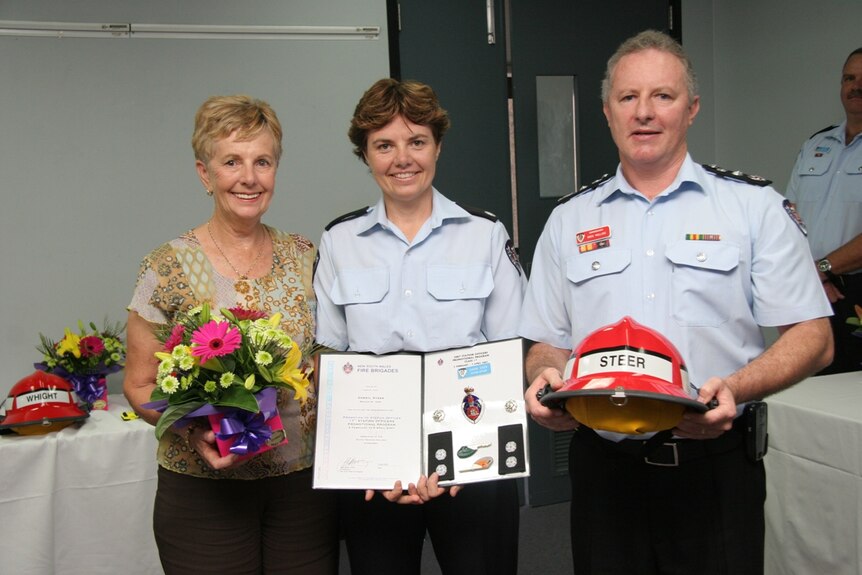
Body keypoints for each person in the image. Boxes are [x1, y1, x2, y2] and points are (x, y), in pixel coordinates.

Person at [518, 30, 834, 575]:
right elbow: (547, 340)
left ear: (691, 109)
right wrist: (545, 377)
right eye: (628, 98)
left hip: (712, 466)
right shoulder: (569, 220)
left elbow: (815, 337)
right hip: (604, 468)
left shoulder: (752, 208)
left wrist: (735, 387)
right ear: (607, 112)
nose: (644, 112)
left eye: (662, 96)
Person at [314, 78, 526, 575]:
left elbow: (510, 352)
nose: (401, 158)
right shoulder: (340, 241)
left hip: (475, 460)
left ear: (438, 146)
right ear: (365, 154)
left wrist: (459, 459)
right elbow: (328, 359)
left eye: (417, 142)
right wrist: (375, 458)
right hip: (373, 472)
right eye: (384, 145)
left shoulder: (485, 234)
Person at [123, 95, 338, 574]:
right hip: (203, 491)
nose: (249, 177)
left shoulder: (307, 257)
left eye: (262, 161)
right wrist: (195, 429)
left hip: (300, 487)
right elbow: (138, 385)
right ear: (205, 173)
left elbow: (328, 358)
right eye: (231, 162)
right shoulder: (166, 266)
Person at [785, 47, 862, 374]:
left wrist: (824, 269)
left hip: (854, 290)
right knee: (809, 388)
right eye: (849, 78)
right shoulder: (816, 145)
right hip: (812, 290)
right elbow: (787, 217)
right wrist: (809, 274)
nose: (855, 86)